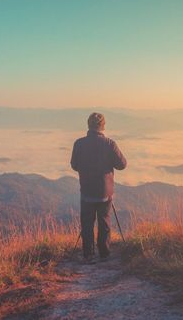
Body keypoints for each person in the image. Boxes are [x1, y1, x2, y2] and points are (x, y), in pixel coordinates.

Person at [70, 112, 127, 263]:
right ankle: (104, 253)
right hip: (105, 191)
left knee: (87, 224)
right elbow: (122, 165)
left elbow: (74, 165)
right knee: (104, 222)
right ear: (103, 126)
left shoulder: (79, 143)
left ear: (88, 125)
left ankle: (88, 254)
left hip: (87, 190)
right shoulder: (109, 144)